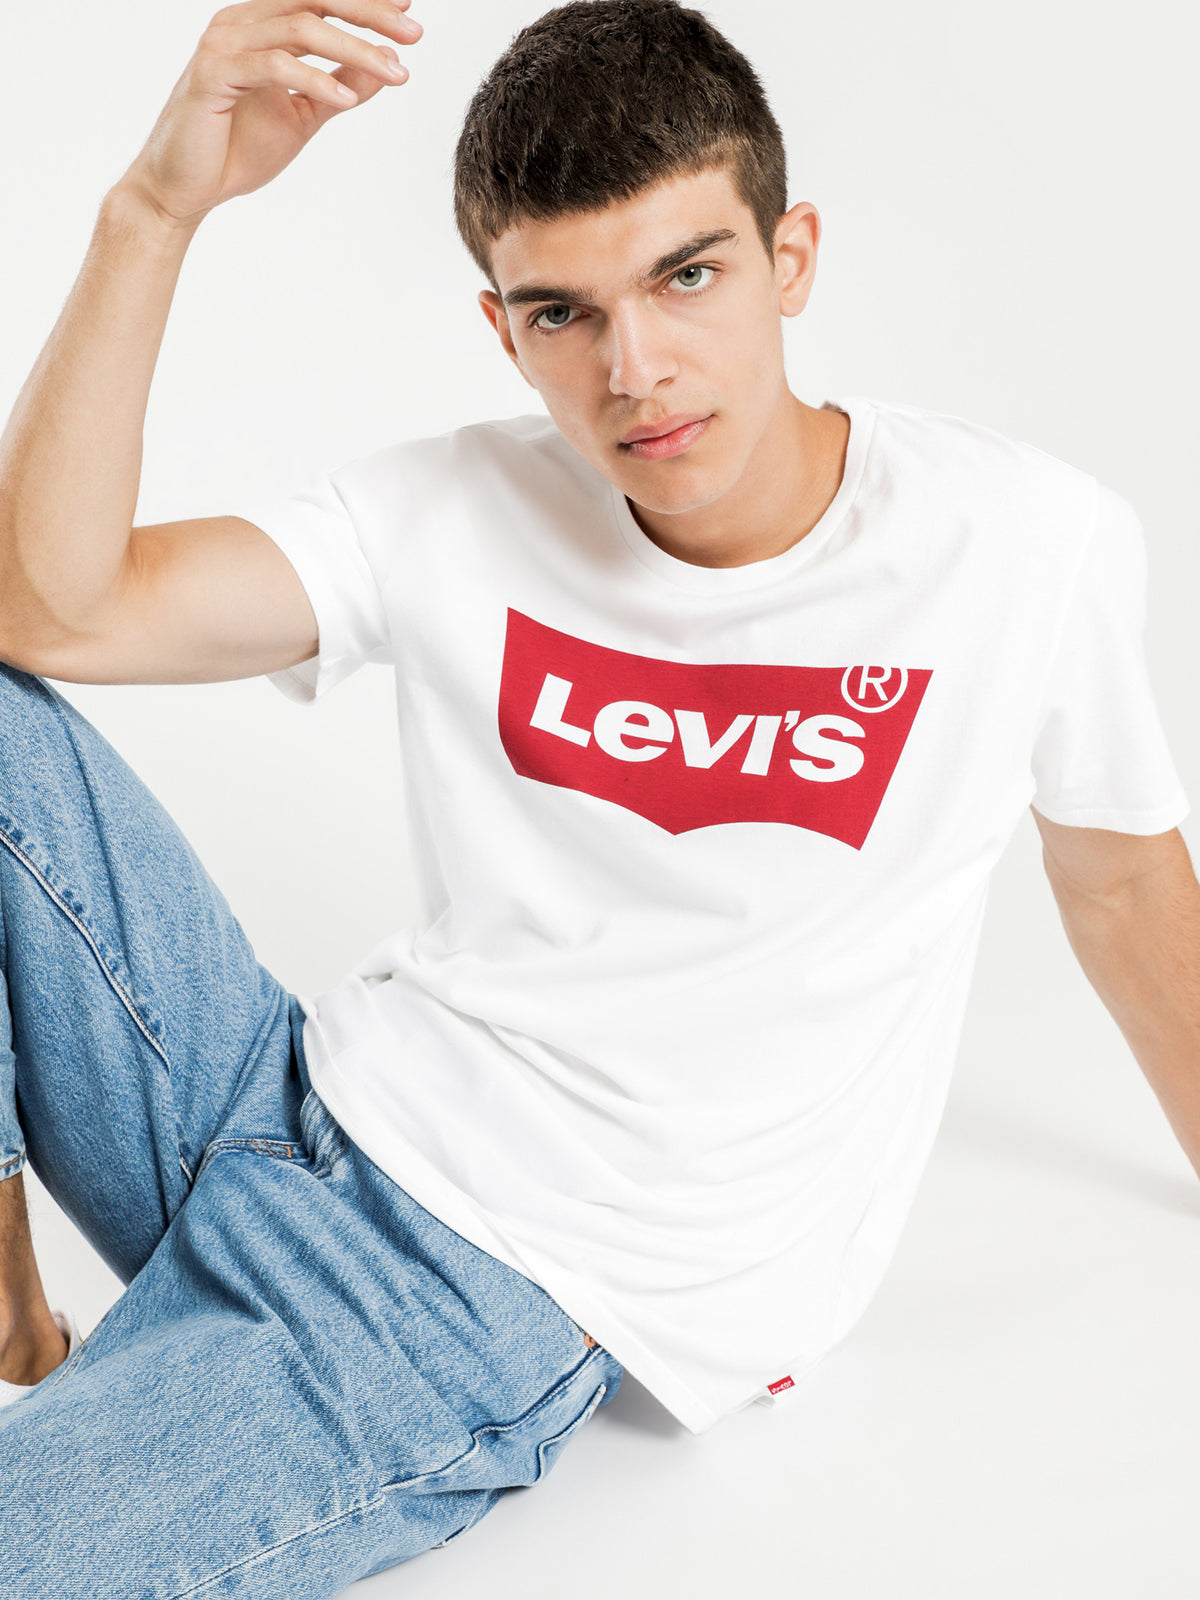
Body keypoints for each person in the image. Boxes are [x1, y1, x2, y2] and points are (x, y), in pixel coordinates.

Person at [0, 0, 1196, 1591]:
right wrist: (154, 210)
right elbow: (51, 612)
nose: (636, 370)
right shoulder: (455, 506)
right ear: (504, 329)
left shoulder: (1023, 546)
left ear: (791, 258)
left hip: (475, 1286)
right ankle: (11, 1301)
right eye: (563, 312)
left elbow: (1121, 880)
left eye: (687, 276)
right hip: (278, 1097)